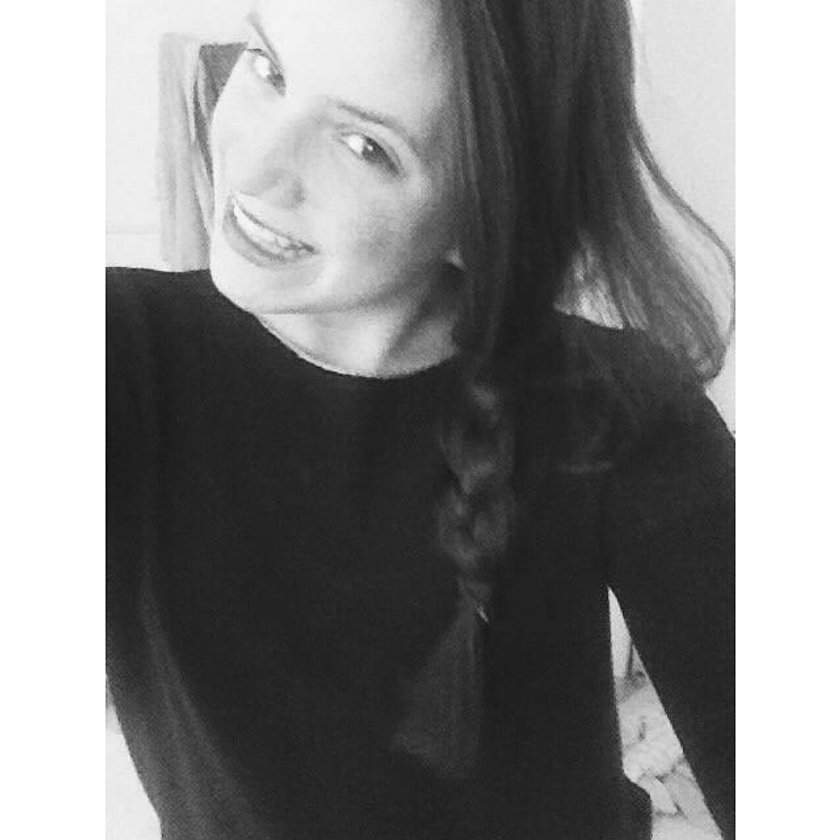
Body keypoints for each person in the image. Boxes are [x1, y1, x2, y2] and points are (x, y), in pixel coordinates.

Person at [106, 0, 735, 838]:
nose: (254, 168)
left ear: (488, 206)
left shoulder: (622, 408)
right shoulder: (118, 351)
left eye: (365, 146)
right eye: (268, 68)